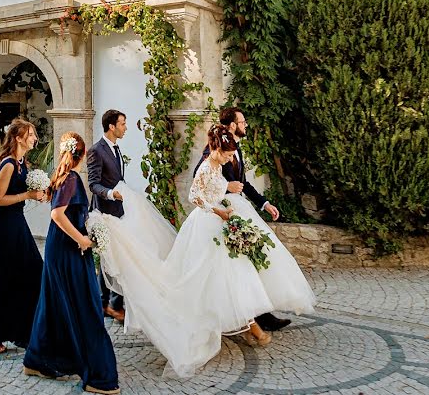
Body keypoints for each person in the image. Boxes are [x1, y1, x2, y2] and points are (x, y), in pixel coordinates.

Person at [94, 126, 316, 377]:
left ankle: (246, 324)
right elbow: (194, 197)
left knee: (232, 276)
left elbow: (217, 190)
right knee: (214, 277)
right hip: (206, 226)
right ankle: (249, 327)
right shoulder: (206, 167)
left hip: (220, 223)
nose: (230, 159)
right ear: (218, 150)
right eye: (228, 155)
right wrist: (217, 210)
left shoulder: (219, 166)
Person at [23, 132, 120, 395]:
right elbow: (57, 214)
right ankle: (97, 375)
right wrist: (83, 239)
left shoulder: (61, 175)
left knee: (54, 303)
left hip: (60, 246)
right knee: (85, 305)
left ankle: (37, 359)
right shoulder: (72, 179)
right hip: (69, 249)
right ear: (82, 154)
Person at [192, 107, 291, 333]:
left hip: (240, 208)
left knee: (255, 259)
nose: (246, 125)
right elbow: (199, 180)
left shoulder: (236, 150)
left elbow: (244, 183)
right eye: (243, 122)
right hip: (222, 214)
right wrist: (225, 186)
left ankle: (260, 312)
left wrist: (264, 203)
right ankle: (246, 317)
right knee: (237, 266)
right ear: (233, 125)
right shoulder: (214, 150)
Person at [0, 118, 46, 354]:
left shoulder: (22, 163)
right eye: (30, 134)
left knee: (33, 272)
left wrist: (39, 194)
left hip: (17, 223)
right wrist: (27, 195)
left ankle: (24, 332)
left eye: (34, 134)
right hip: (2, 225)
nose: (34, 138)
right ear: (18, 138)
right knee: (0, 279)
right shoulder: (8, 164)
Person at [87, 109, 127, 323]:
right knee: (109, 258)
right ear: (111, 126)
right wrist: (111, 194)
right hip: (104, 212)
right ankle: (110, 304)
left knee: (113, 257)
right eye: (122, 124)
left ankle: (107, 303)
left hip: (118, 211)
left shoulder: (116, 148)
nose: (125, 127)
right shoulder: (96, 150)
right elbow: (93, 183)